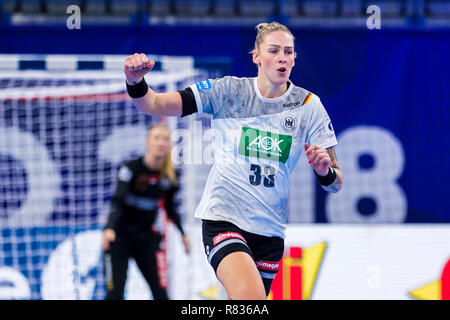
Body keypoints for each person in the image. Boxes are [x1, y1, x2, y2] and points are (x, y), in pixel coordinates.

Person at [123, 22, 343, 300]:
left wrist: (325, 171)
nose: (282, 57)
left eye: (288, 52)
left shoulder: (308, 105)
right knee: (250, 300)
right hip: (224, 220)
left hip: (270, 232)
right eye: (274, 51)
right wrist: (134, 80)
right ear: (257, 56)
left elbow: (336, 184)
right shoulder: (227, 91)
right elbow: (153, 104)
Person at [102, 123, 190, 300]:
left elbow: (170, 208)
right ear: (147, 143)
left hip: (146, 240)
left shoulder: (170, 176)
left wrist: (182, 233)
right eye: (156, 138)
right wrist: (109, 228)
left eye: (165, 139)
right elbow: (118, 200)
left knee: (160, 293)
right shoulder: (130, 169)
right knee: (115, 293)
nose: (161, 143)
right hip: (119, 238)